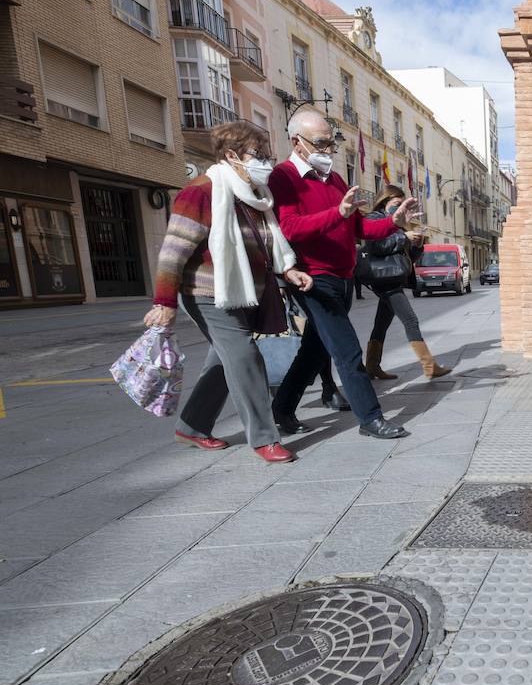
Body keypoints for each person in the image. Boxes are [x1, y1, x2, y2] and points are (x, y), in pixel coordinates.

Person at [143, 122, 313, 464]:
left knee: (224, 360)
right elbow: (172, 252)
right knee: (245, 356)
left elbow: (266, 242)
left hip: (248, 292)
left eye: (268, 154)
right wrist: (164, 302)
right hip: (209, 293)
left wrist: (288, 268)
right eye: (258, 154)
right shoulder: (201, 192)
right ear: (232, 155)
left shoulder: (255, 196)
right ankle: (265, 438)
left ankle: (192, 426)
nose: (266, 161)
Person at [268, 109, 419, 439]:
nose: (327, 151)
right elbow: (289, 227)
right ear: (297, 141)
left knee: (316, 349)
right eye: (321, 143)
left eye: (330, 144)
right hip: (312, 278)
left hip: (343, 276)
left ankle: (281, 408)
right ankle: (371, 418)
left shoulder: (334, 180)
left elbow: (359, 226)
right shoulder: (283, 177)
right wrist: (336, 213)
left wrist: (393, 222)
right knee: (346, 348)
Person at [361, 185, 453, 381]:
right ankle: (429, 366)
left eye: (401, 204)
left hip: (392, 278)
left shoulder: (397, 223)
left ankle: (372, 366)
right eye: (396, 203)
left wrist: (417, 244)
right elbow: (377, 246)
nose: (398, 207)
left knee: (381, 323)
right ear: (385, 201)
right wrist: (404, 236)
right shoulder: (373, 219)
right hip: (384, 279)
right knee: (410, 320)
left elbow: (408, 255)